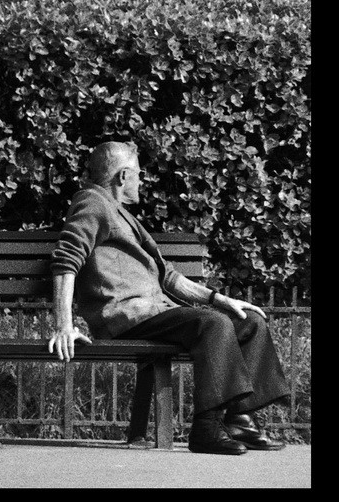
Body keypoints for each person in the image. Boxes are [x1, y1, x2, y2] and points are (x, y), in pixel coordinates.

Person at [46, 141, 291, 455]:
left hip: (154, 313)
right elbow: (66, 259)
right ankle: (206, 429)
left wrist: (222, 300)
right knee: (212, 325)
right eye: (137, 174)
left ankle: (239, 420)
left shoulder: (120, 214)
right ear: (122, 177)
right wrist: (63, 325)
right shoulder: (93, 203)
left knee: (249, 322)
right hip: (125, 316)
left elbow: (168, 277)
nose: (141, 181)